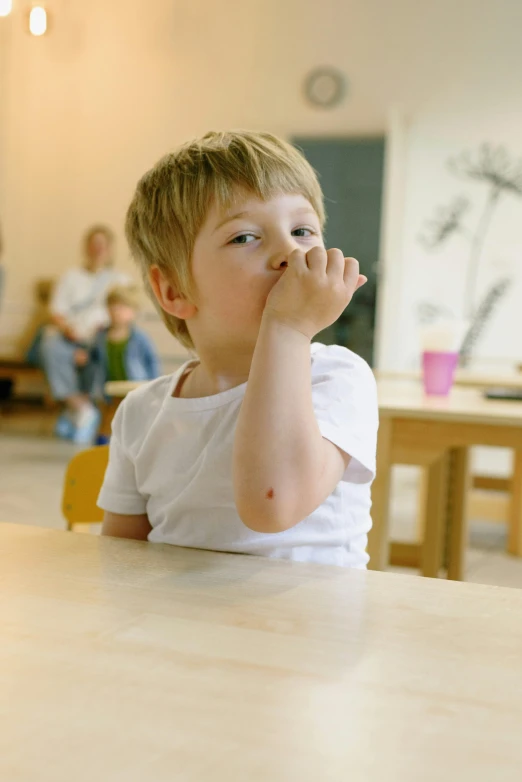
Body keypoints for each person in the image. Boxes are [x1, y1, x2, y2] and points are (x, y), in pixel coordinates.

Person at [98, 131, 378, 568]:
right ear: (172, 290)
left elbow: (272, 504)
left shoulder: (336, 378)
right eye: (245, 237)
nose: (290, 252)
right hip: (180, 630)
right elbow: (120, 560)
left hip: (309, 633)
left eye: (302, 230)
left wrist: (286, 329)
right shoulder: (141, 412)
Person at [40, 225, 129, 443]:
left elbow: (126, 314)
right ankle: (80, 407)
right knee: (49, 345)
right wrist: (69, 332)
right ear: (86, 248)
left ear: (109, 249)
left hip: (102, 337)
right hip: (70, 337)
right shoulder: (71, 276)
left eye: (102, 245)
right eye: (94, 244)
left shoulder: (120, 280)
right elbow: (56, 311)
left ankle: (78, 414)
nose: (98, 249)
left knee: (102, 350)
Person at [91, 284, 161, 388]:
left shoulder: (140, 338)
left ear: (134, 310)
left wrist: (154, 389)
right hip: (108, 393)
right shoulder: (100, 337)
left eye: (122, 307)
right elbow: (93, 361)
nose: (116, 311)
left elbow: (153, 364)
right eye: (112, 306)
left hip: (134, 389)